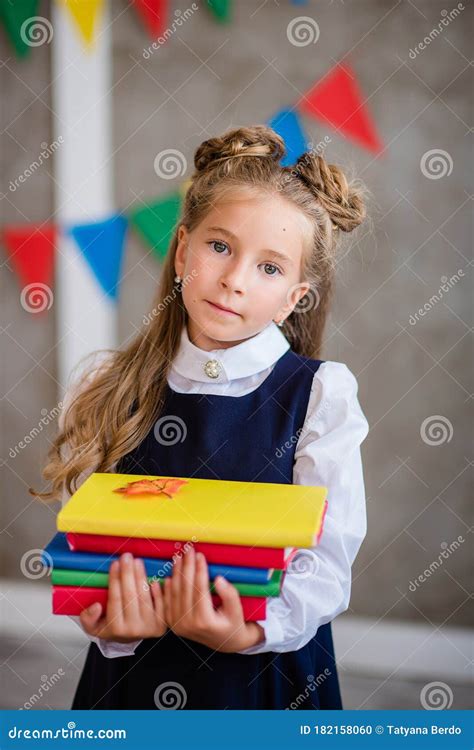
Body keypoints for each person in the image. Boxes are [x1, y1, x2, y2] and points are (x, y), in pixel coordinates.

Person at [31, 124, 370, 710]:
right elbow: (90, 545)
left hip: (267, 686)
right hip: (131, 684)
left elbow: (326, 563)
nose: (235, 281)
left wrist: (248, 631)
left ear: (295, 296)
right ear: (184, 248)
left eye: (269, 268)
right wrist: (109, 621)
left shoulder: (322, 396)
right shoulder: (108, 384)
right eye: (220, 247)